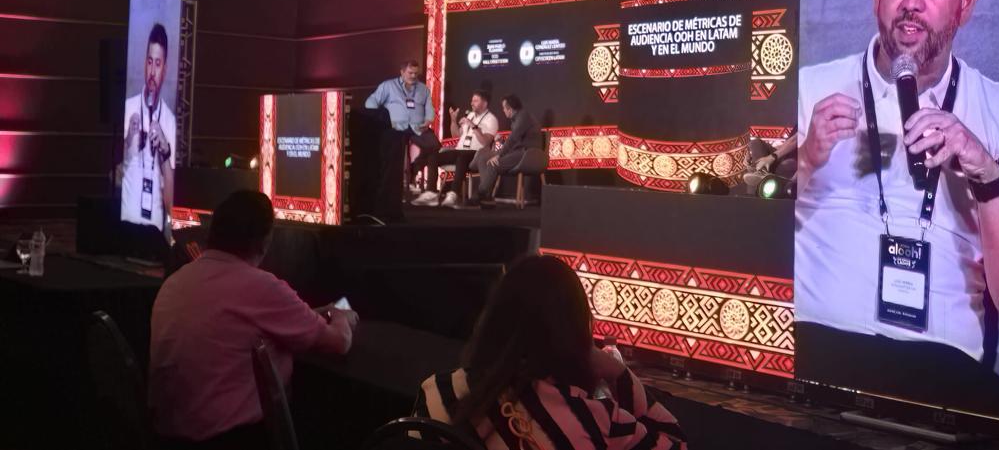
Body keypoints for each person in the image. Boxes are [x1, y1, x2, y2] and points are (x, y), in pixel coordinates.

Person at [795, 0, 999, 384]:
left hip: (938, 378)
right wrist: (805, 159)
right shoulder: (809, 90)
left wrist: (985, 174)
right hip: (815, 356)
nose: (911, 3)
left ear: (966, 0)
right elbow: (741, 234)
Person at [149, 191, 358, 449]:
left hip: (165, 438)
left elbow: (234, 321)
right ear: (264, 242)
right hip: (233, 440)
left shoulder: (174, 282)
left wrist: (311, 314)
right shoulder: (261, 286)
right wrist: (341, 315)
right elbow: (339, 342)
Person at [412, 255, 686, 450]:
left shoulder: (437, 391)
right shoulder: (595, 418)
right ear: (575, 333)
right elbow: (675, 443)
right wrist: (619, 372)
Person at [121, 22, 176, 231]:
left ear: (165, 69)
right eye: (150, 62)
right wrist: (128, 141)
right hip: (126, 220)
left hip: (154, 227)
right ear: (145, 63)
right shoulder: (128, 107)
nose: (152, 71)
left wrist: (165, 152)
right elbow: (111, 175)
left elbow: (170, 200)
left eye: (158, 64)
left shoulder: (169, 120)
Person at [416, 90, 499, 208]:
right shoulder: (470, 115)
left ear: (484, 103)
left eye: (476, 101)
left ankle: (453, 194)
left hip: (476, 153)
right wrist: (453, 120)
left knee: (462, 157)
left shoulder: (491, 119)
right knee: (433, 156)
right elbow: (456, 135)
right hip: (459, 150)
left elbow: (485, 142)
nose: (472, 103)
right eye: (472, 100)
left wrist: (473, 126)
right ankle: (431, 193)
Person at [365, 60, 439, 189]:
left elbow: (430, 109)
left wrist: (428, 120)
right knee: (394, 145)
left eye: (416, 73)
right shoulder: (389, 86)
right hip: (396, 127)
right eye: (410, 73)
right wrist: (380, 118)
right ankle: (396, 184)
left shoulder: (424, 89)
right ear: (402, 72)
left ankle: (426, 184)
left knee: (434, 145)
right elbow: (370, 102)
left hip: (418, 128)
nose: (413, 76)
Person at [474, 95, 541, 205]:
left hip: (527, 153)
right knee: (484, 158)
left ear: (510, 109)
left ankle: (481, 195)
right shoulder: (517, 119)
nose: (503, 110)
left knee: (493, 164)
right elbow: (516, 141)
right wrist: (502, 142)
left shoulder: (523, 116)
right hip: (520, 151)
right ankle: (486, 195)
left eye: (504, 108)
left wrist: (499, 155)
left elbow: (513, 138)